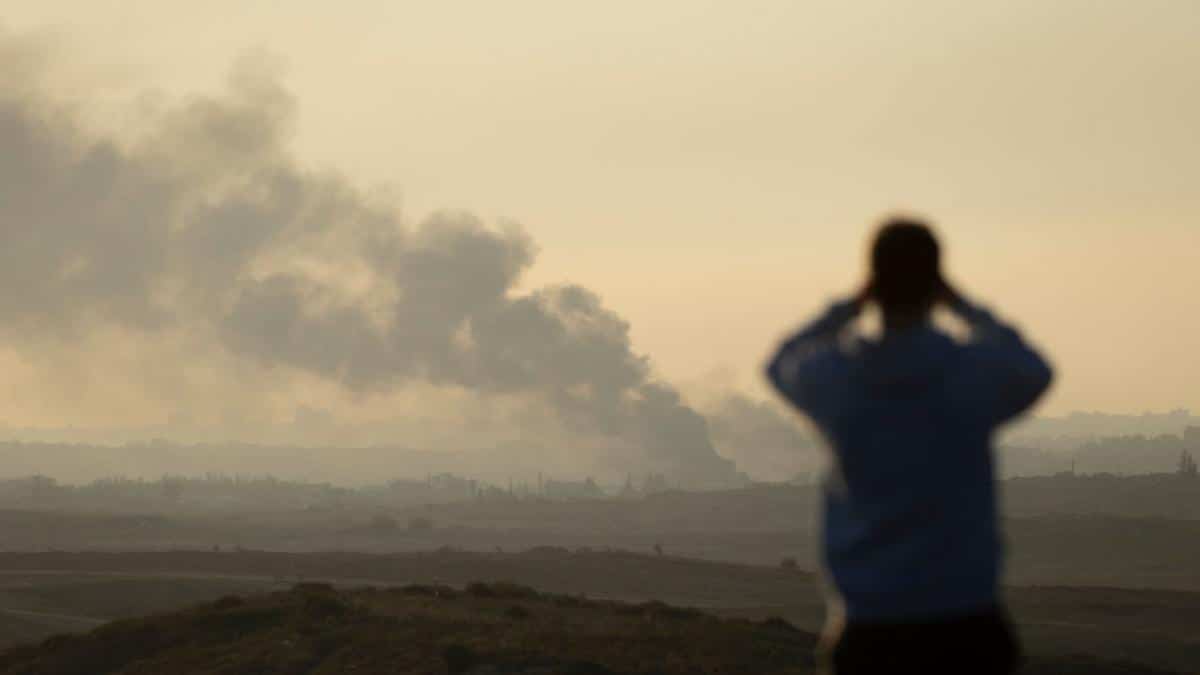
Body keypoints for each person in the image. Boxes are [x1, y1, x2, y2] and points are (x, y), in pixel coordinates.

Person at [765, 217, 1052, 674]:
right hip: (966, 624)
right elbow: (1033, 369)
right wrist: (964, 306)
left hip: (872, 629)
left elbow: (781, 361)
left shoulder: (840, 381)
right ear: (935, 283)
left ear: (874, 282)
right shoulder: (967, 376)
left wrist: (846, 308)